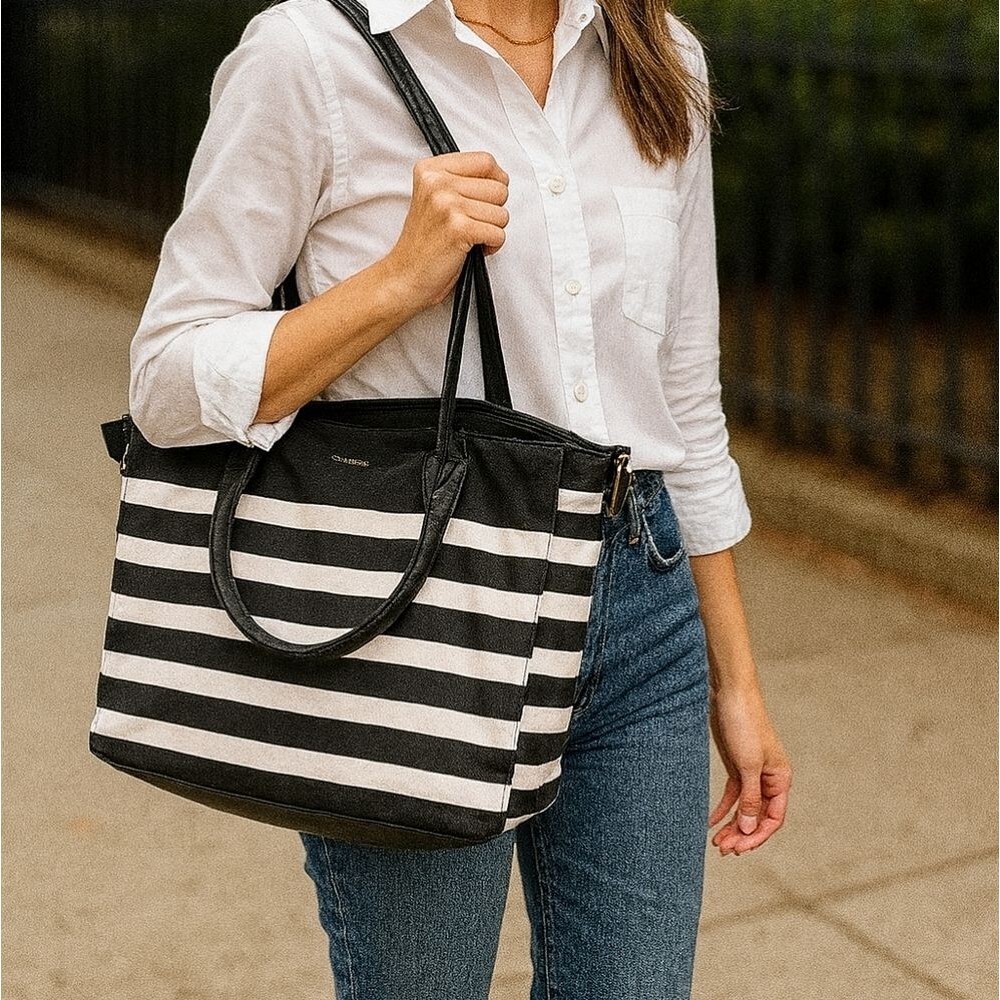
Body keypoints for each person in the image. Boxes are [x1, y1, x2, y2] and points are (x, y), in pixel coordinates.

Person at [127, 0, 793, 996]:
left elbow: (685, 398)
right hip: (412, 613)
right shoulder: (310, 55)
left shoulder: (656, 54)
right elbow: (166, 384)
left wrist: (734, 680)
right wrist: (397, 281)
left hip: (639, 610)